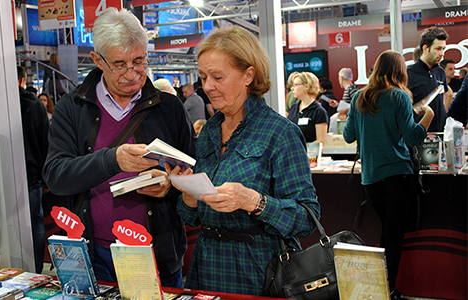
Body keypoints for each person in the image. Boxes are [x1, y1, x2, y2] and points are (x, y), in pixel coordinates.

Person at [42, 7, 196, 288]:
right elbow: (55, 175)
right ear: (97, 60)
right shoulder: (73, 108)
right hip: (92, 254)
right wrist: (112, 160)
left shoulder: (169, 108)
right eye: (119, 64)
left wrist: (170, 185)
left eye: (139, 61)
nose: (132, 74)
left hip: (157, 253)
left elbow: (195, 172)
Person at [170, 26, 319, 296]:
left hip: (259, 271)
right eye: (203, 77)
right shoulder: (208, 132)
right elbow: (191, 216)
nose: (207, 87)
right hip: (206, 268)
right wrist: (189, 194)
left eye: (217, 77)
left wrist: (253, 201)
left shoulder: (279, 133)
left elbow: (308, 217)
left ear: (249, 74)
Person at [343, 50, 434, 300]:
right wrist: (428, 116)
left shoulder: (360, 97)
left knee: (387, 233)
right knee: (394, 236)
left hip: (371, 179)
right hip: (397, 175)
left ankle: (381, 287)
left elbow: (348, 136)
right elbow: (413, 137)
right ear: (400, 71)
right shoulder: (399, 96)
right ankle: (388, 290)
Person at [17, 65, 50, 274]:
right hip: (32, 177)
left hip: (7, 178)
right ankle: (35, 271)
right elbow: (45, 143)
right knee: (35, 226)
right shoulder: (35, 105)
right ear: (22, 80)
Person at [407, 26, 449, 132]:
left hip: (440, 134)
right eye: (438, 49)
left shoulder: (440, 72)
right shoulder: (408, 74)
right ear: (425, 48)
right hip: (418, 136)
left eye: (443, 49)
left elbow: (444, 97)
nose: (442, 53)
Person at [287, 72, 329, 144]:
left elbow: (320, 141)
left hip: (309, 154)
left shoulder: (319, 111)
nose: (292, 88)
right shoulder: (293, 108)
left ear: (307, 86)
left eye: (296, 85)